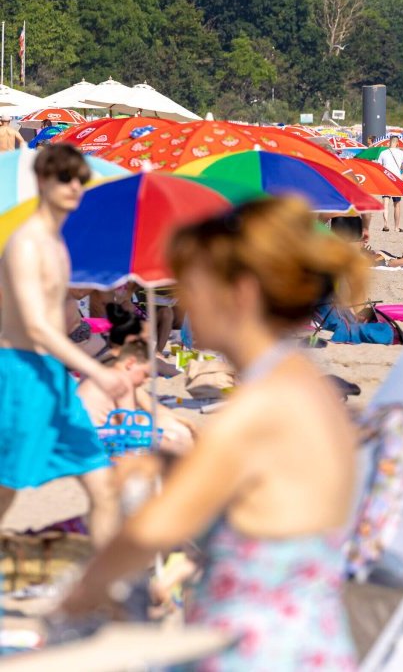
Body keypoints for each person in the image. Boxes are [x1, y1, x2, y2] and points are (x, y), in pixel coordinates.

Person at [61, 197, 364, 667]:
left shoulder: (262, 404)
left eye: (192, 284)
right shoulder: (299, 380)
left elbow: (154, 527)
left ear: (238, 292)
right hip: (303, 638)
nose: (184, 299)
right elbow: (265, 496)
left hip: (255, 649)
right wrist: (171, 464)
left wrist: (78, 596)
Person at [0, 145, 133, 546]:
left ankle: (102, 595)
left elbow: (69, 318)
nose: (75, 186)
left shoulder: (58, 243)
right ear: (42, 182)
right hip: (21, 374)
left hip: (53, 377)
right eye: (64, 178)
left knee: (103, 486)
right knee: (7, 488)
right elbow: (37, 327)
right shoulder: (25, 243)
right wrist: (98, 371)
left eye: (80, 178)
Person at [77, 338, 197, 455]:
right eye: (145, 374)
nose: (147, 380)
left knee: (161, 424)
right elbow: (129, 424)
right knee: (174, 434)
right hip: (95, 441)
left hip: (79, 435)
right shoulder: (122, 381)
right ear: (130, 363)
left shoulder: (104, 373)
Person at [376, 136, 403, 232]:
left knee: (385, 202)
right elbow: (402, 167)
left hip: (386, 179)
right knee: (397, 204)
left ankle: (385, 225)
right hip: (396, 180)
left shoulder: (383, 153)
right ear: (397, 143)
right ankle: (396, 227)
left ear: (389, 142)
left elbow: (379, 167)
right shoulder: (401, 153)